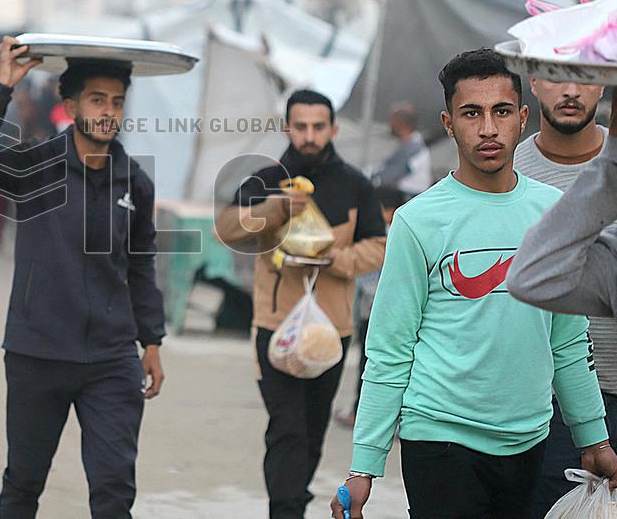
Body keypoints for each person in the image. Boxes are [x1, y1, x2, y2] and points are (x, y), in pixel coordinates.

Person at [330, 48, 617, 519]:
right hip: (440, 439)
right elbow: (390, 349)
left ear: (522, 118)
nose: (488, 129)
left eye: (501, 112)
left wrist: (594, 436)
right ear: (448, 123)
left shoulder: (553, 213)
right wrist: (364, 467)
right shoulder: (417, 221)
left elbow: (567, 341)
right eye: (471, 113)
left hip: (530, 439)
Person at [0, 37, 166, 518]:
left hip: (111, 359)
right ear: (70, 106)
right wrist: (2, 86)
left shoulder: (135, 182)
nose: (109, 111)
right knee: (24, 484)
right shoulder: (34, 165)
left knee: (113, 489)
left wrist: (151, 339)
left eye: (117, 102)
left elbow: (140, 262)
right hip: (38, 352)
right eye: (97, 99)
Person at [214, 89, 387, 519]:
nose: (309, 136)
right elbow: (227, 229)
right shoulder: (265, 178)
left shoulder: (355, 184)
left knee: (311, 430)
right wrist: (274, 209)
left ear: (333, 129)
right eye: (301, 126)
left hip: (332, 331)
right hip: (276, 327)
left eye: (318, 126)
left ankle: (295, 498)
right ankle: (286, 510)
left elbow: (380, 245)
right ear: (287, 127)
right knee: (286, 428)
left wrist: (334, 259)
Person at [510, 77, 616, 514]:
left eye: (586, 77)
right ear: (533, 81)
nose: (570, 90)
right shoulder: (504, 167)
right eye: (556, 74)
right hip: (546, 397)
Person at [334, 185, 404, 429]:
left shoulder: (382, 235)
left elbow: (367, 277)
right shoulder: (408, 232)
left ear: (387, 211)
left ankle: (359, 413)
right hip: (401, 317)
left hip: (375, 314)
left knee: (370, 368)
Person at [371, 101, 432, 198]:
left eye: (392, 121)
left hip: (409, 197)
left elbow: (390, 175)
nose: (390, 125)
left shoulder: (413, 149)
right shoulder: (408, 145)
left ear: (400, 123)